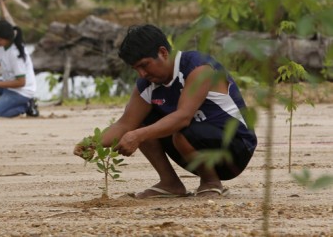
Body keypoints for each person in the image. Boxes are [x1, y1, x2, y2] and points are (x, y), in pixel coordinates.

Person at [74, 24, 257, 198]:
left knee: (178, 131)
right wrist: (92, 143)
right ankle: (170, 183)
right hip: (194, 150)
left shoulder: (198, 67)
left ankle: (210, 182)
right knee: (141, 123)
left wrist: (138, 136)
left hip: (236, 148)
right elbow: (125, 124)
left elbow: (183, 117)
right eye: (136, 68)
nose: (142, 74)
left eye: (144, 65)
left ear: (163, 53)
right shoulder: (147, 85)